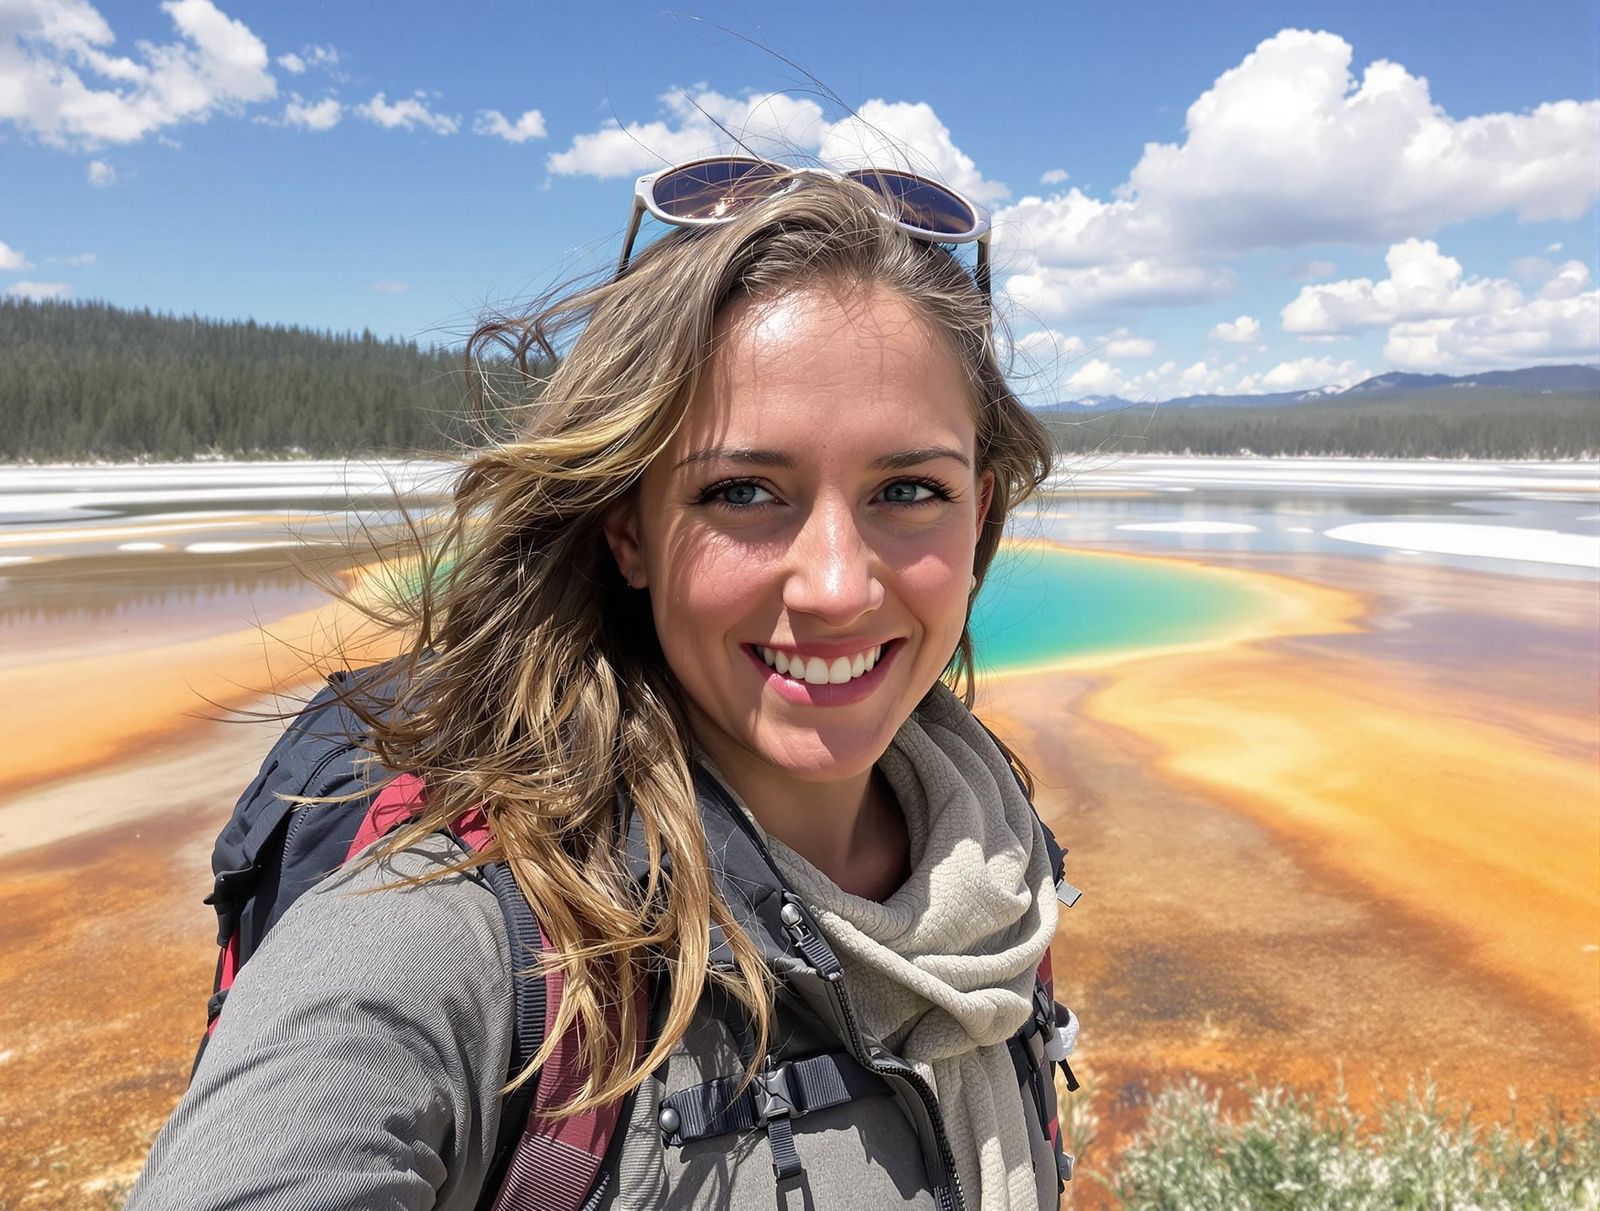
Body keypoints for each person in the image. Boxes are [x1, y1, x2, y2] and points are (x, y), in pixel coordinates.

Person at [128, 158, 1066, 1209]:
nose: (840, 585)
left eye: (908, 488)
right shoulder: (473, 934)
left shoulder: (988, 864)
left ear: (978, 512)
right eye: (744, 490)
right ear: (629, 530)